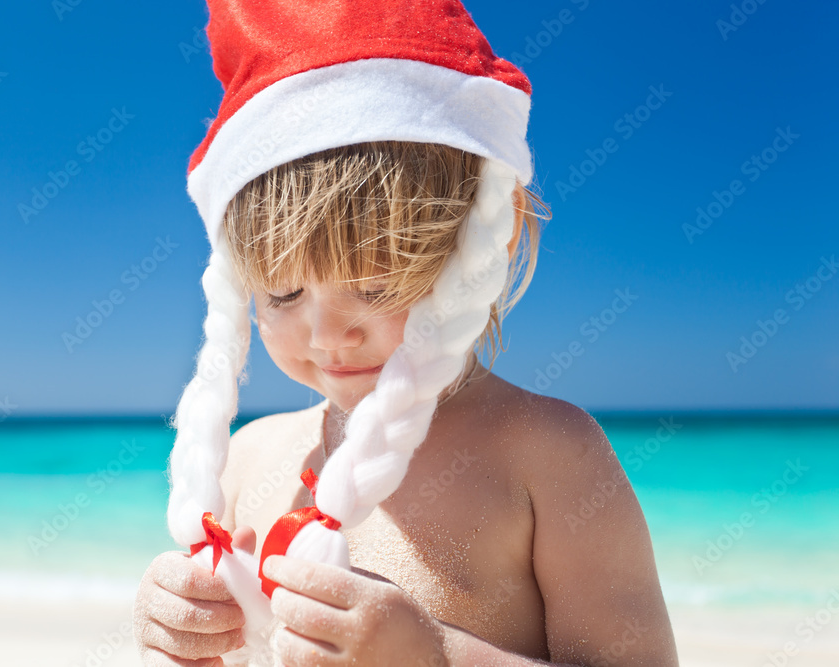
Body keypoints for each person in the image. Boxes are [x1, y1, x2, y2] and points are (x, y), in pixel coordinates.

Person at [134, 2, 679, 666]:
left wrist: (438, 655)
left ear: (485, 241)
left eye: (375, 286)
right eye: (283, 293)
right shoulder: (249, 457)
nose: (328, 334)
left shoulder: (549, 454)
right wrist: (180, 628)